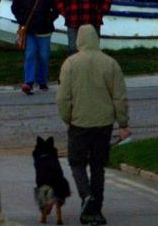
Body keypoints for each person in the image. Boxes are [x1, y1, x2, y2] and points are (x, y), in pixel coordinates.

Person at [56, 25, 130, 225]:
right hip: (104, 123)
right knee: (98, 166)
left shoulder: (70, 64)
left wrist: (67, 118)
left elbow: (63, 98)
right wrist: (123, 123)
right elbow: (119, 97)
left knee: (77, 162)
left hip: (79, 123)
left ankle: (86, 195)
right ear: (96, 39)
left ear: (79, 40)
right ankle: (96, 208)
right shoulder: (111, 64)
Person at [12, 0, 59, 94]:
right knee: (30, 54)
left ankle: (42, 81)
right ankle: (29, 82)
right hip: (30, 30)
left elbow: (56, 8)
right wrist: (22, 20)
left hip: (45, 29)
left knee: (44, 56)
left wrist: (49, 19)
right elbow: (15, 7)